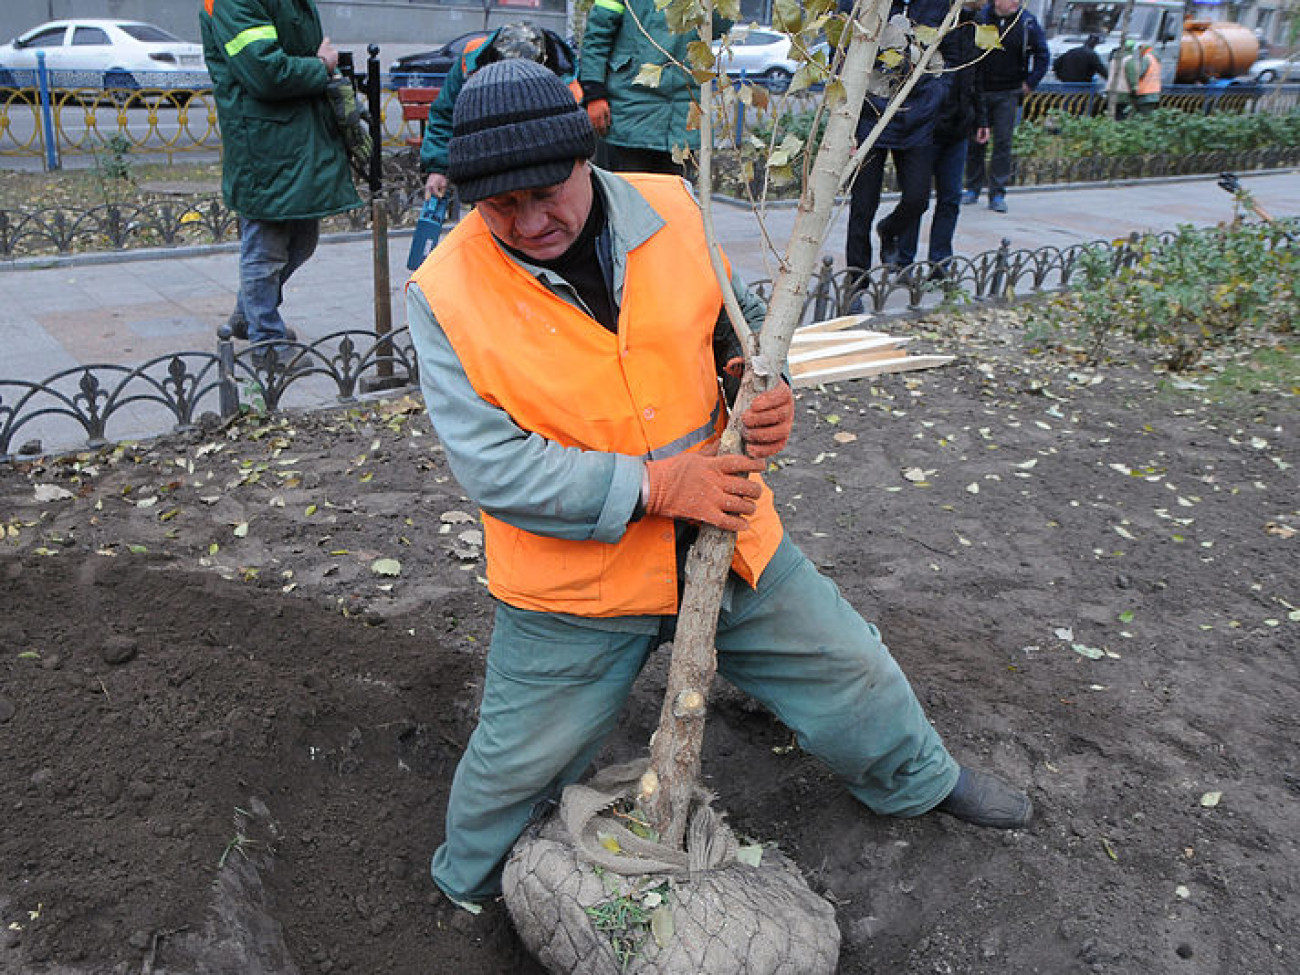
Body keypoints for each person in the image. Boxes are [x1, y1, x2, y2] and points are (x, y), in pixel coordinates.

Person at [405, 58, 1033, 910]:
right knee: (517, 760)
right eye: (501, 206)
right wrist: (660, 488)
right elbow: (495, 468)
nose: (530, 219)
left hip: (725, 533)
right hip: (573, 583)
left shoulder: (670, 208)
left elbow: (732, 333)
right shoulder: (446, 290)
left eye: (546, 191)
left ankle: (917, 778)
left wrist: (758, 388)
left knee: (850, 669)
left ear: (585, 157)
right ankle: (463, 888)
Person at [200, 0, 361, 365]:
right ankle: (268, 345)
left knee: (303, 241)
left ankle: (250, 315)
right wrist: (320, 66)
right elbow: (264, 71)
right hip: (264, 144)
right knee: (267, 248)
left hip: (295, 137)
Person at [843, 0, 950, 275]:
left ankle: (889, 230)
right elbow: (842, 51)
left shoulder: (937, 4)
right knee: (863, 206)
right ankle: (856, 281)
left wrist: (935, 96)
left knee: (917, 198)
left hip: (918, 116)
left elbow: (950, 52)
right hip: (870, 115)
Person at [419, 22, 579, 201]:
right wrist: (438, 169)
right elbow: (445, 115)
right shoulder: (470, 60)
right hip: (485, 164)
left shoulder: (567, 86)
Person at [578, 0, 729, 175]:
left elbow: (718, 27)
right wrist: (594, 94)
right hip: (629, 112)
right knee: (626, 195)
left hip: (680, 118)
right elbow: (597, 37)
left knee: (673, 198)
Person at [896, 0, 987, 275]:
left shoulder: (977, 23)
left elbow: (977, 75)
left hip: (959, 126)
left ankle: (940, 262)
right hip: (926, 127)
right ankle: (904, 262)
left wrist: (980, 118)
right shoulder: (931, 15)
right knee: (916, 199)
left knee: (950, 198)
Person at [962, 0, 1049, 213]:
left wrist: (1030, 82)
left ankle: (997, 192)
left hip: (1008, 92)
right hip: (981, 89)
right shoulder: (981, 18)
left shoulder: (1026, 21)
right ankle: (972, 187)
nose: (1016, 2)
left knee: (1002, 142)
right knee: (976, 140)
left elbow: (1042, 54)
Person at [1108, 39, 1161, 118]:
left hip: (1143, 93)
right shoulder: (1153, 58)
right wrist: (1134, 88)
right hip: (1150, 93)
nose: (1139, 51)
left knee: (1117, 116)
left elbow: (1138, 74)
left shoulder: (1114, 58)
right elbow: (1133, 76)